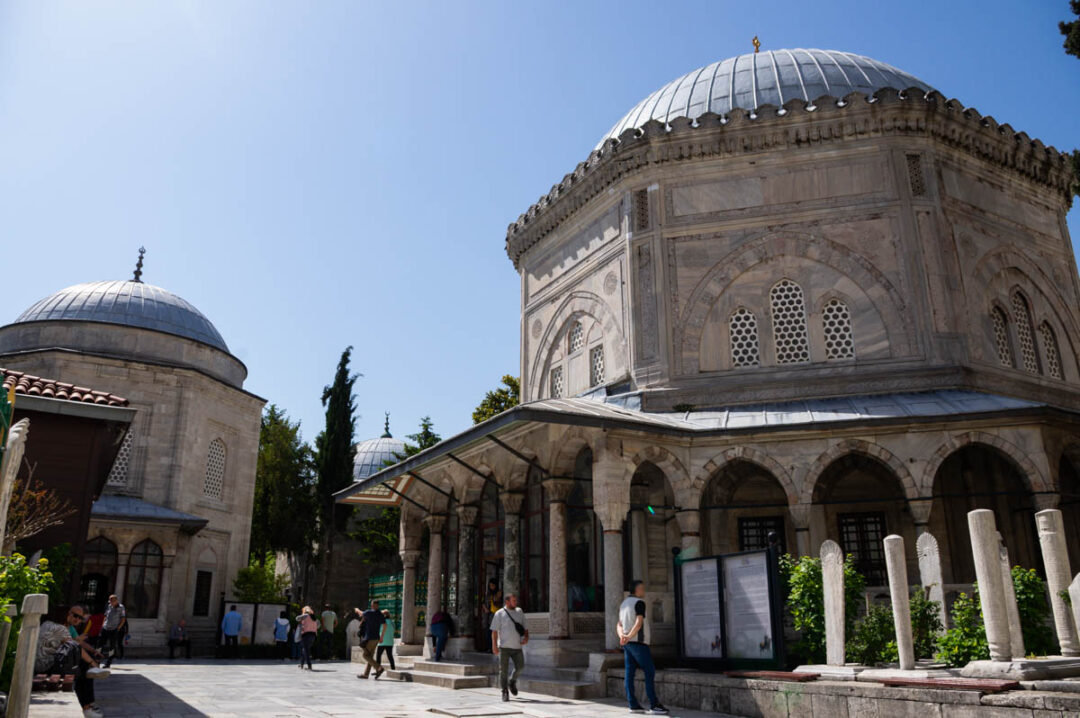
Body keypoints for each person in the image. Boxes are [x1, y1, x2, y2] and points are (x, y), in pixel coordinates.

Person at [37, 605, 110, 718]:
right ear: (66, 614)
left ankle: (88, 703)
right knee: (82, 668)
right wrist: (92, 662)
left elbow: (76, 644)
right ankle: (87, 706)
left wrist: (92, 653)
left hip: (41, 663)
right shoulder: (61, 629)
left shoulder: (47, 623)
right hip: (46, 666)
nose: (78, 620)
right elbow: (75, 647)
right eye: (75, 616)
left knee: (82, 666)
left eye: (80, 618)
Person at [616, 580, 668, 715]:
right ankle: (654, 704)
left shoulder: (623, 604)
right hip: (638, 643)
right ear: (637, 590)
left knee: (629, 674)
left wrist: (623, 636)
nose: (644, 591)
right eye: (642, 589)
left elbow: (619, 624)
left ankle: (633, 704)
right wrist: (629, 636)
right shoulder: (639, 603)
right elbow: (639, 623)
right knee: (649, 671)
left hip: (627, 644)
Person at [490, 593, 528, 702]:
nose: (516, 602)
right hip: (503, 647)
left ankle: (512, 681)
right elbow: (494, 632)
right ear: (507, 602)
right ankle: (505, 691)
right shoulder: (499, 614)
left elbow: (525, 627)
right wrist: (494, 646)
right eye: (513, 601)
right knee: (503, 671)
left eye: (516, 600)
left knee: (521, 666)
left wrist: (526, 637)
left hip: (517, 646)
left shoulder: (519, 611)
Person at [354, 600, 385, 679]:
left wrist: (357, 610)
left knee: (365, 655)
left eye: (373, 605)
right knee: (370, 656)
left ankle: (379, 668)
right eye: (372, 605)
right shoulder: (380, 614)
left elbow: (361, 614)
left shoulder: (369, 613)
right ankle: (366, 674)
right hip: (376, 638)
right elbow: (385, 625)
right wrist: (381, 637)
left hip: (370, 638)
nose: (372, 606)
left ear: (376, 605)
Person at [99, 595, 126, 667]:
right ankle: (97, 660)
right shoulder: (109, 606)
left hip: (113, 629)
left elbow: (123, 619)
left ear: (116, 601)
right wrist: (102, 625)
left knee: (112, 647)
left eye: (112, 601)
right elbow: (105, 616)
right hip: (105, 628)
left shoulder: (121, 607)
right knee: (100, 645)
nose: (111, 603)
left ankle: (108, 662)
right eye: (110, 601)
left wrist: (118, 628)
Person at [481, 579, 501, 652]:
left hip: (495, 614)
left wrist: (497, 597)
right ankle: (489, 647)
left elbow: (498, 603)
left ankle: (494, 647)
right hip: (487, 615)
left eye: (492, 585)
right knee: (488, 632)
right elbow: (482, 602)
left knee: (494, 631)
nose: (491, 587)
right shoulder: (487, 594)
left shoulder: (499, 593)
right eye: (490, 585)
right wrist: (485, 609)